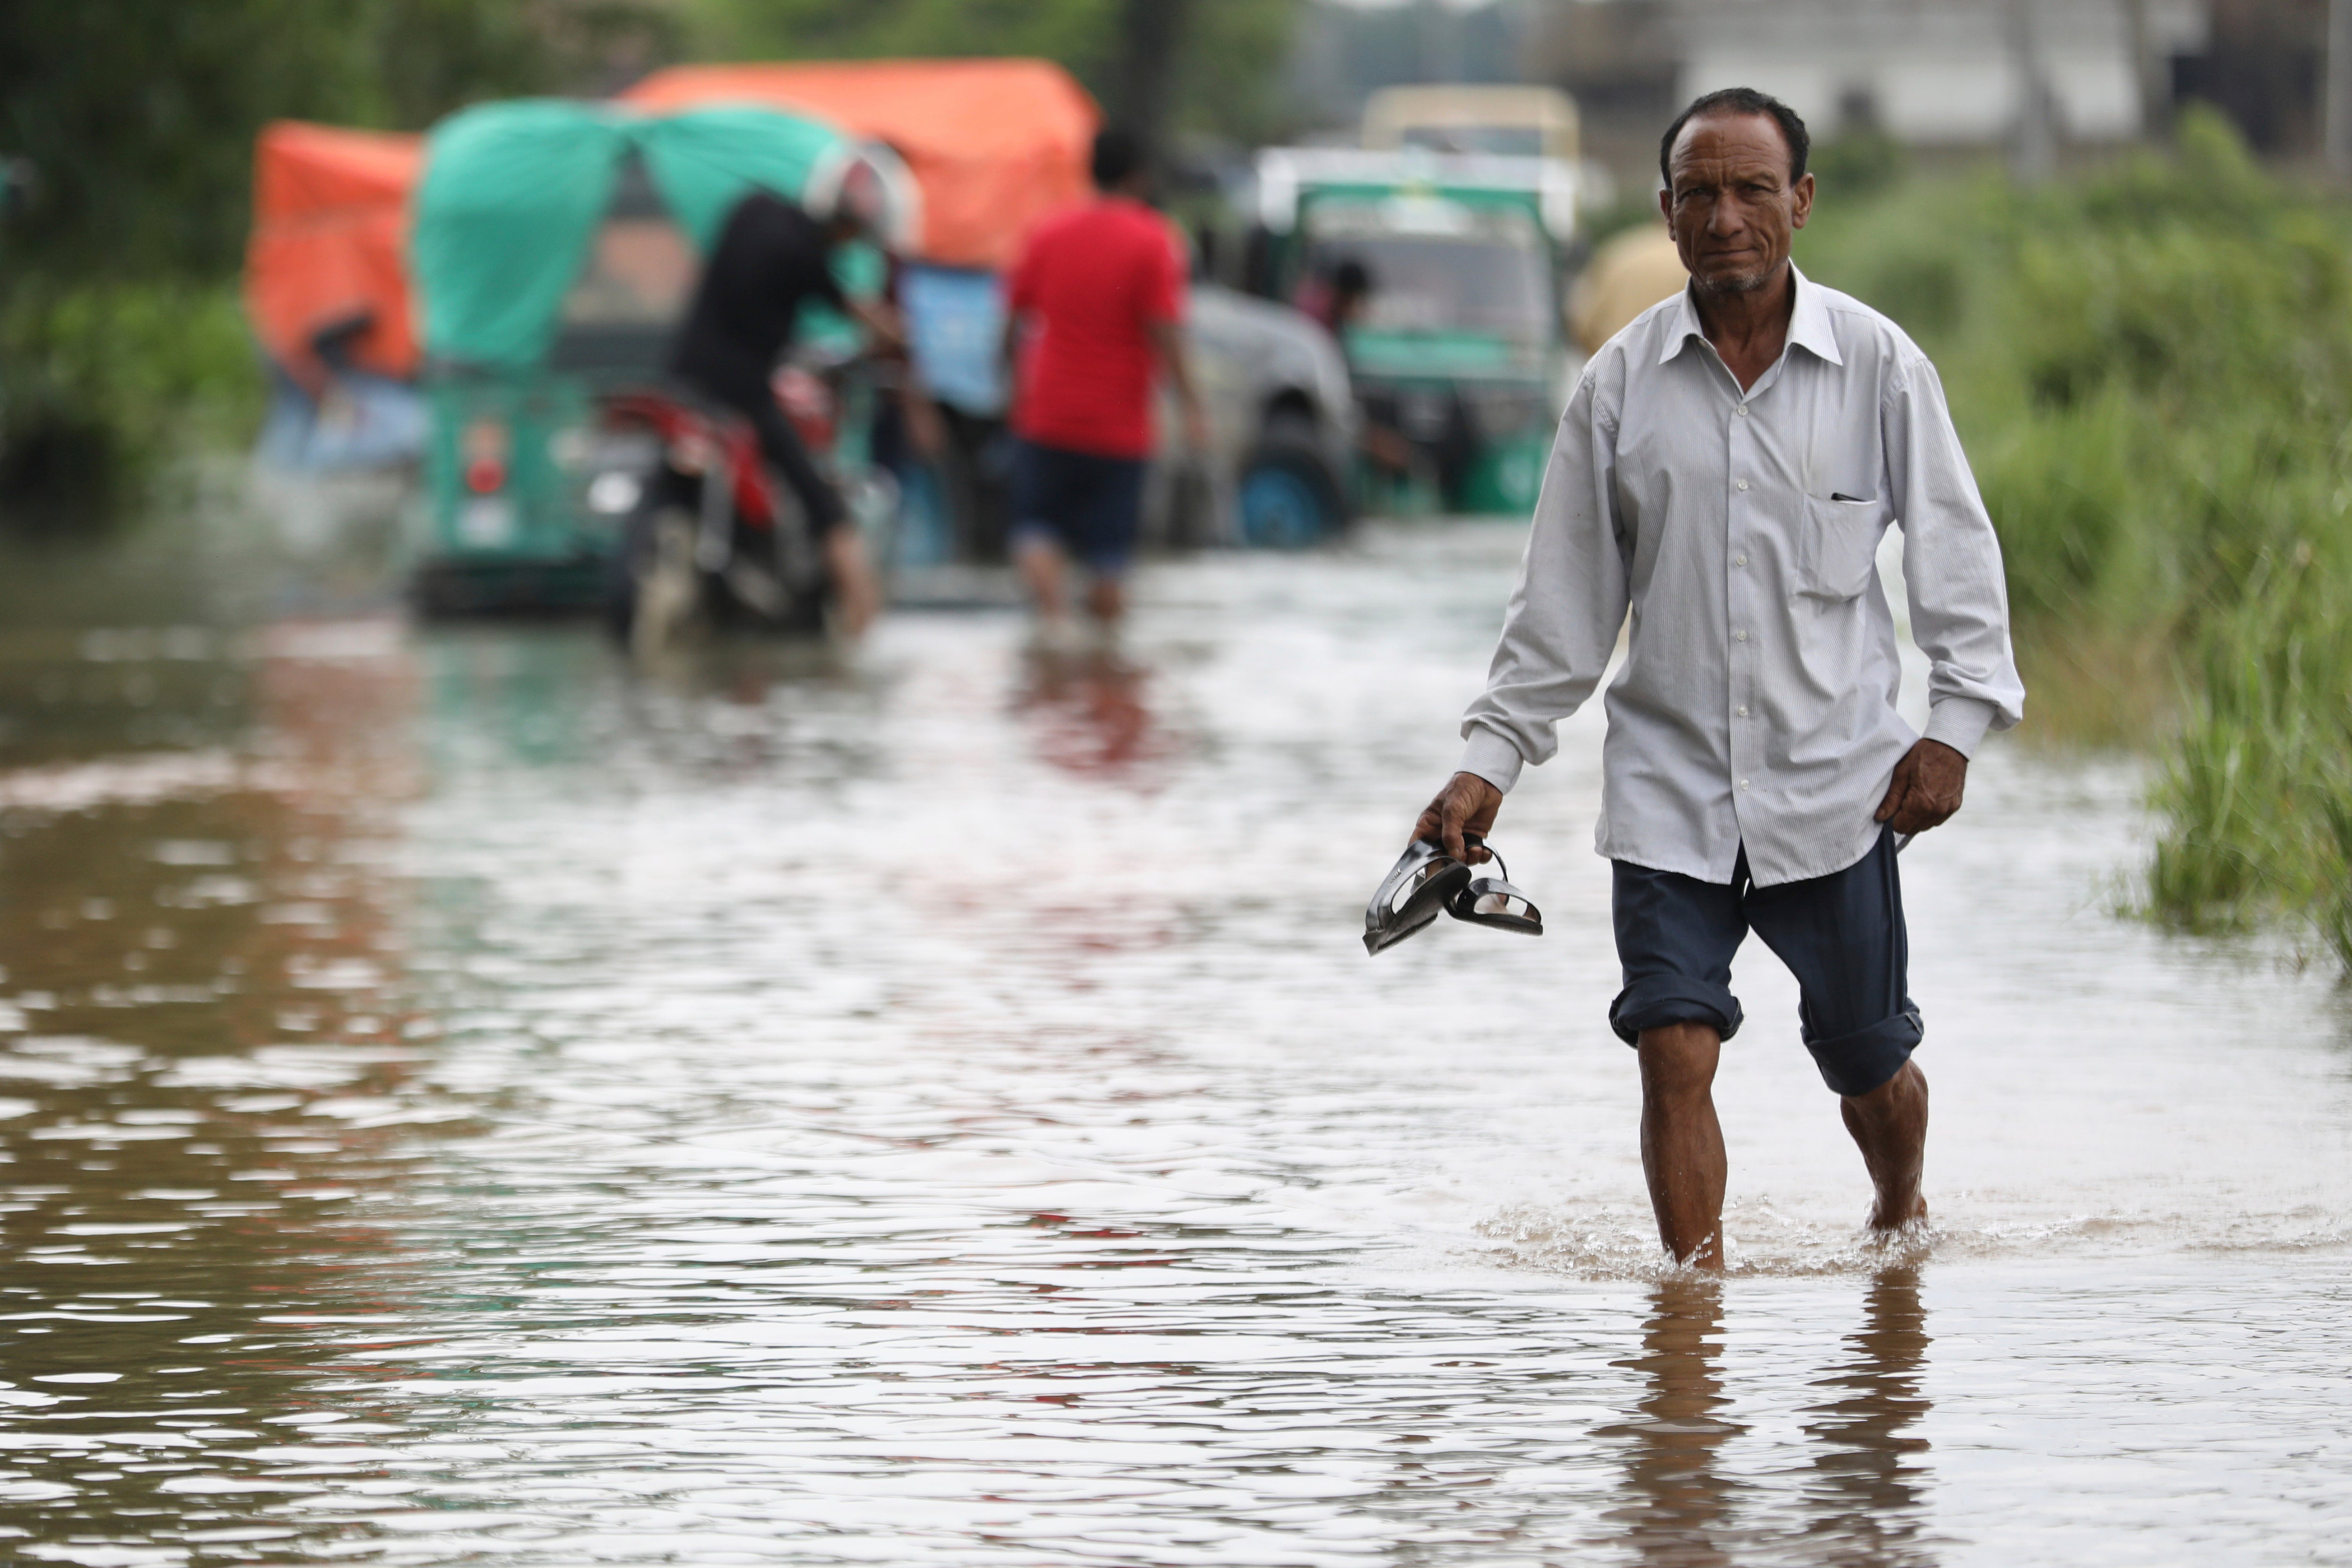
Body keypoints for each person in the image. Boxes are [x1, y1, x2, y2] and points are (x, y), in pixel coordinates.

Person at [1409, 88, 2024, 1269]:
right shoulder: (1617, 387)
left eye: (1751, 189)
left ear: (1799, 202)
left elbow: (1956, 554)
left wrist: (1951, 730)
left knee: (1864, 1059)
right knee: (1671, 1043)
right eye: (1698, 192)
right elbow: (1561, 606)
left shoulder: (1879, 368)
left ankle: (1898, 1212)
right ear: (1665, 213)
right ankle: (1688, 1320)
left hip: (1836, 789)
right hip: (1668, 789)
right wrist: (1488, 764)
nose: (1725, 215)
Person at [666, 162, 906, 637]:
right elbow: (858, 311)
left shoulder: (751, 208)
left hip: (681, 377)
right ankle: (864, 631)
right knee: (826, 511)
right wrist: (902, 339)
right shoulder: (809, 260)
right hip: (742, 392)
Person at [999, 127, 1208, 634]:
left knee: (1036, 533)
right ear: (1138, 176)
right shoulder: (1154, 239)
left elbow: (1011, 325)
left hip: (1047, 416)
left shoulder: (1047, 232)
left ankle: (1053, 632)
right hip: (1120, 429)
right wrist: (1191, 407)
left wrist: (1008, 387)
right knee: (1110, 559)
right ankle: (1102, 665)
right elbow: (1166, 333)